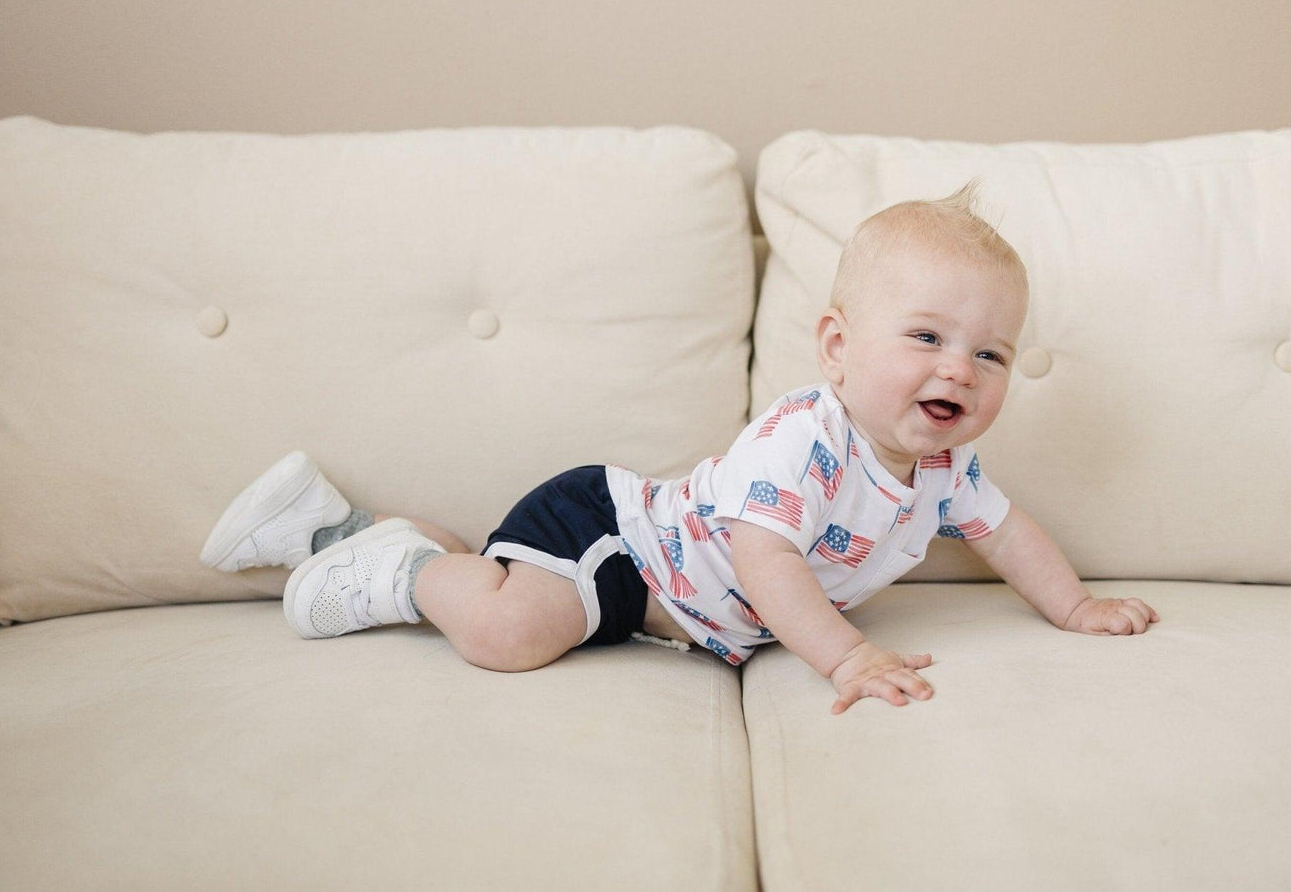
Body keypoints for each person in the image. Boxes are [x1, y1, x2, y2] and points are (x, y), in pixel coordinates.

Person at [201, 181, 1158, 714]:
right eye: (926, 338)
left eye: (988, 353)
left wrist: (1073, 605)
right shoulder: (804, 440)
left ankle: (362, 528)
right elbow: (762, 557)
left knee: (505, 596)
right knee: (507, 635)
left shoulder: (947, 472)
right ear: (837, 346)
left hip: (657, 605)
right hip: (615, 542)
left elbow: (1008, 532)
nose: (959, 370)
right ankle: (396, 570)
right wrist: (848, 658)